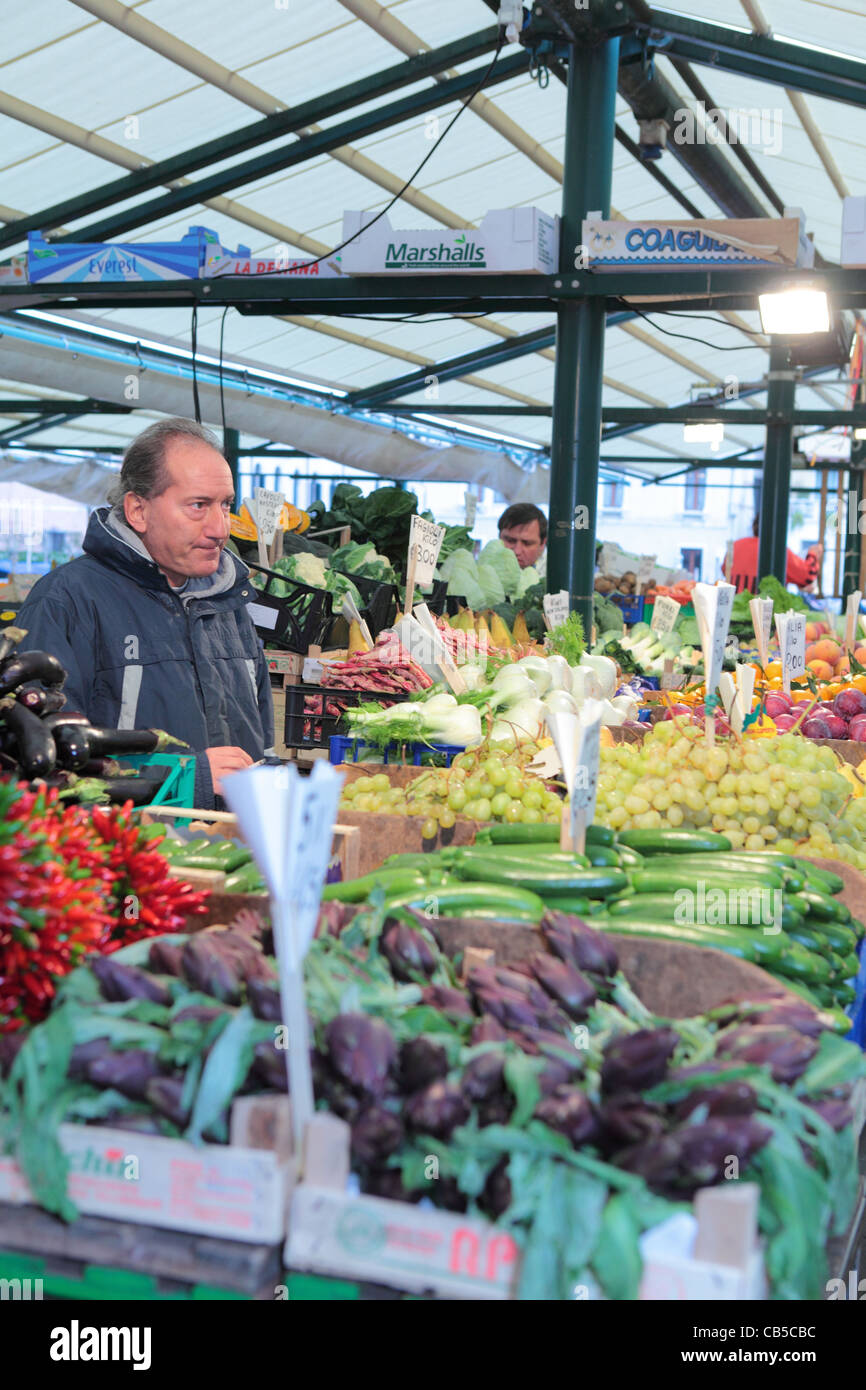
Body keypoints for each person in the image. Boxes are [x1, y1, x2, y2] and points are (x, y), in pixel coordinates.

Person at [17, 417, 273, 808]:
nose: (220, 528)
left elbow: (258, 738)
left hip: (232, 847)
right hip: (127, 851)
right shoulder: (66, 602)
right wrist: (188, 777)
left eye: (225, 505)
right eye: (198, 506)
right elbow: (44, 764)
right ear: (138, 510)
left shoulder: (228, 602)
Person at [724, 516, 822, 595]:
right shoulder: (778, 551)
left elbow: (725, 570)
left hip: (733, 611)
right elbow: (807, 575)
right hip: (766, 614)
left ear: (754, 526)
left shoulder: (735, 546)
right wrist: (813, 554)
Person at [498, 502, 547, 574]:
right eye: (510, 541)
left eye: (527, 543)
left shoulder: (556, 576)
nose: (516, 551)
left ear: (542, 543)